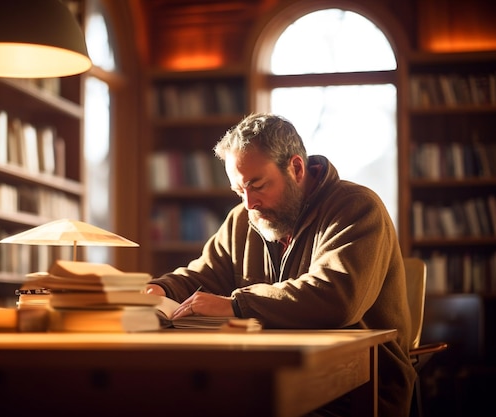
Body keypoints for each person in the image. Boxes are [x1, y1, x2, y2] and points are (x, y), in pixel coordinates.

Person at [145, 113, 416, 417]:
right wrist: (158, 290)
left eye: (257, 185)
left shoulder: (357, 208)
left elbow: (337, 297)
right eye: (238, 191)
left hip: (357, 391)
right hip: (268, 377)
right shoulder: (243, 220)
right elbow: (202, 274)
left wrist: (236, 306)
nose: (249, 203)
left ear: (296, 168)